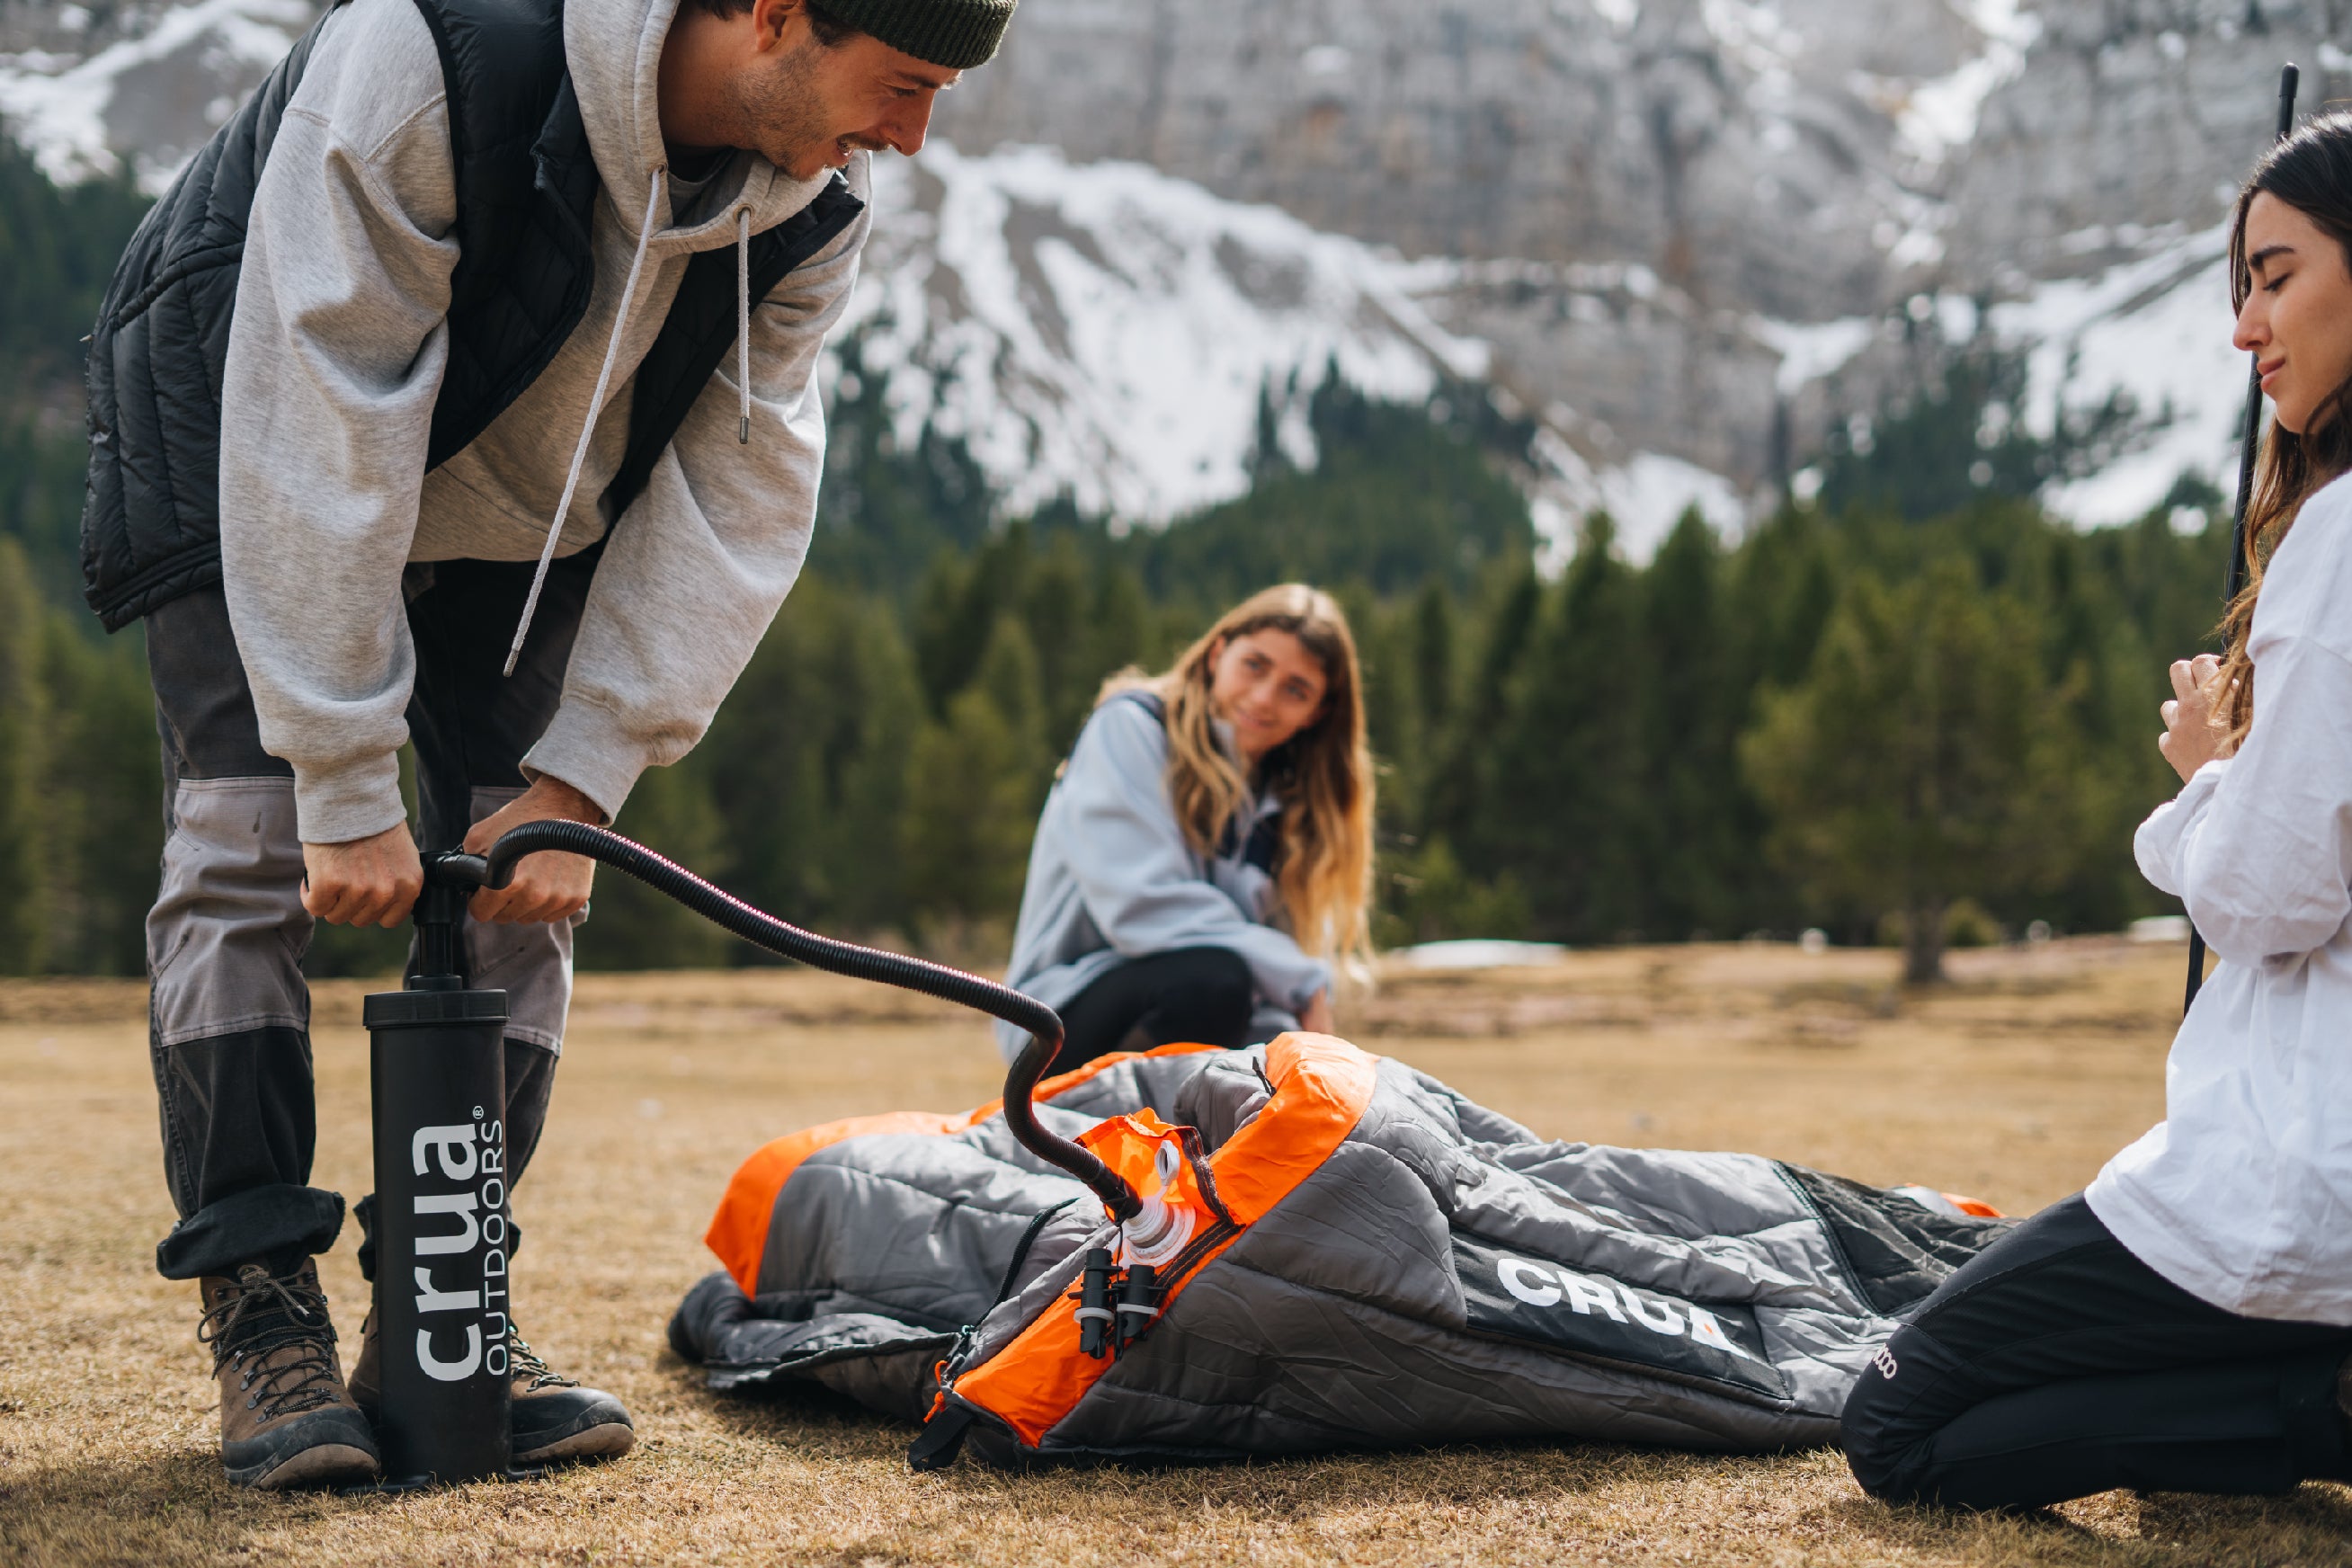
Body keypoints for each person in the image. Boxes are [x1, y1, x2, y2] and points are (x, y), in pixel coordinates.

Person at [85, 0, 1019, 1490]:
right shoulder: (429, 58)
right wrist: (338, 778)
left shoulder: (815, 208)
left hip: (524, 512)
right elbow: (325, 409)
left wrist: (588, 764)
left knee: (531, 864)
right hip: (247, 438)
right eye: (901, 87)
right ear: (772, 12)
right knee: (250, 841)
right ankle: (260, 1301)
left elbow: (742, 484)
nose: (912, 138)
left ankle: (442, 1308)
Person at [1841, 113, 2352, 1510]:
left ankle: (2318, 1413)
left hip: (2292, 1198)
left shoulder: (2343, 536)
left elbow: (2268, 899)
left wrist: (2202, 778)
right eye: (2240, 287)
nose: (2247, 327)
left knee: (1894, 1425)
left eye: (2276, 274)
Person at [994, 584, 1376, 1075]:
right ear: (1218, 653)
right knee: (1212, 980)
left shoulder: (1287, 808)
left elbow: (1269, 988)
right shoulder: (1130, 730)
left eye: (1295, 689)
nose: (1264, 698)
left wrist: (1299, 1058)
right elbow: (1141, 907)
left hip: (1205, 1013)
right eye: (1255, 665)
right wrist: (1302, 978)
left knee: (1269, 1033)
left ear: (1317, 713)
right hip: (1054, 1019)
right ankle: (1103, 1138)